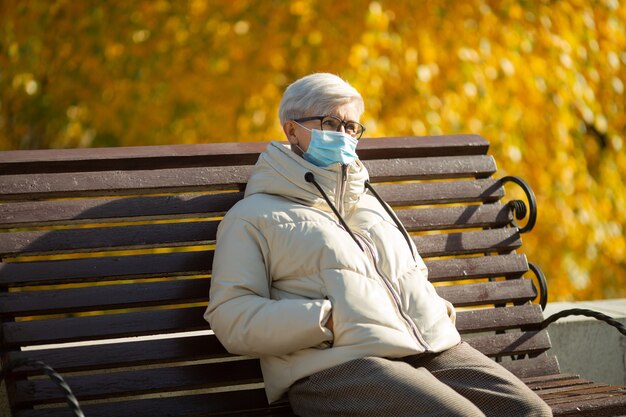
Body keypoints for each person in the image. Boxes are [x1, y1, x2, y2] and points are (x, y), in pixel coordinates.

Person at [204, 73, 552, 417]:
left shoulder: (370, 203)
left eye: (351, 127)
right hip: (335, 366)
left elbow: (410, 273)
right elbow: (231, 316)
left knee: (529, 411)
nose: (343, 135)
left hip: (425, 347)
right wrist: (326, 320)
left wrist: (435, 310)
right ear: (291, 129)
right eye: (330, 122)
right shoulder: (252, 217)